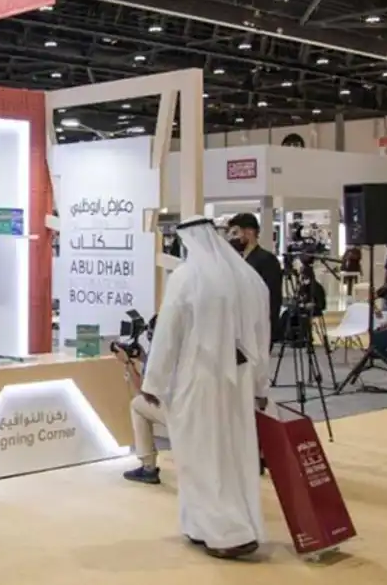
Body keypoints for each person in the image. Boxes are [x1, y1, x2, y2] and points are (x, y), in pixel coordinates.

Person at [142, 216, 271, 560]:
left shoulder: (187, 277)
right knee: (234, 455)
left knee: (200, 456)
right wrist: (260, 385)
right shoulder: (249, 279)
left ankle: (226, 533)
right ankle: (201, 526)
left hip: (198, 379)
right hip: (240, 383)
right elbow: (263, 337)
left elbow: (168, 333)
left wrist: (153, 381)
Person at [227, 213, 284, 342]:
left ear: (249, 232)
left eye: (236, 233)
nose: (232, 238)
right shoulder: (237, 259)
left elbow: (273, 297)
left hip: (258, 326)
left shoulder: (266, 260)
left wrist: (269, 328)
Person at [116, 343, 166, 485]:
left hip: (178, 410)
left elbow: (144, 391)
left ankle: (148, 467)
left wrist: (128, 363)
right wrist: (144, 359)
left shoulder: (163, 348)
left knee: (137, 404)